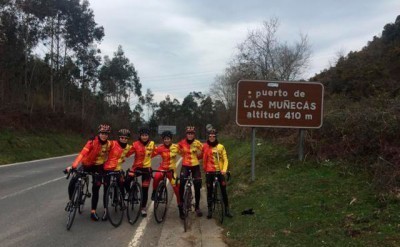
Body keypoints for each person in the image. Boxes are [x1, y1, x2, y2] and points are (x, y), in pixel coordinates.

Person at [66, 124, 111, 221]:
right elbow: (82, 154)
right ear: (99, 133)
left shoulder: (109, 144)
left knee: (96, 188)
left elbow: (119, 149)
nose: (104, 135)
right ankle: (71, 201)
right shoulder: (91, 142)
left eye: (106, 134)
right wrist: (73, 166)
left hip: (99, 168)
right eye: (102, 133)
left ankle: (93, 212)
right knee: (73, 181)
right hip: (87, 165)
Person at [102, 129, 133, 221]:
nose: (123, 139)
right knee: (106, 190)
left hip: (118, 169)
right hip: (107, 169)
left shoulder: (128, 147)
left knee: (121, 184)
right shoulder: (112, 143)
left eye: (126, 138)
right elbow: (103, 144)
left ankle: (122, 202)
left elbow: (139, 150)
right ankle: (105, 211)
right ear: (119, 137)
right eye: (122, 137)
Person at [124, 127, 155, 217]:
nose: (144, 137)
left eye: (146, 135)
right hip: (136, 168)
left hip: (146, 169)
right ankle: (131, 193)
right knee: (127, 180)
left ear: (148, 136)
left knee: (145, 189)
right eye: (143, 135)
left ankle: (143, 208)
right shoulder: (135, 144)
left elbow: (156, 152)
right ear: (140, 136)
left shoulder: (152, 144)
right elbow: (127, 154)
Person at [202, 128, 232, 218]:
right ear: (208, 136)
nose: (211, 137)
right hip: (209, 172)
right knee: (209, 191)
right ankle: (210, 210)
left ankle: (227, 210)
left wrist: (224, 170)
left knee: (223, 191)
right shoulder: (205, 146)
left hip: (220, 171)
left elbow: (225, 159)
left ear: (216, 137)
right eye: (210, 136)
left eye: (213, 136)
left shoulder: (221, 147)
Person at [151, 130, 183, 218]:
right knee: (156, 177)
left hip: (171, 171)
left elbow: (184, 154)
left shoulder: (176, 147)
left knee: (177, 189)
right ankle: (154, 192)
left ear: (171, 139)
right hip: (162, 168)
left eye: (168, 139)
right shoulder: (160, 148)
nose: (166, 140)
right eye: (165, 139)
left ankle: (180, 208)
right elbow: (150, 155)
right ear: (163, 140)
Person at [178, 126, 204, 217]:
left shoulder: (198, 143)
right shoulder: (181, 143)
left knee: (197, 186)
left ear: (194, 134)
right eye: (188, 133)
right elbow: (178, 151)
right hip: (185, 165)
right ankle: (181, 206)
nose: (190, 135)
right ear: (186, 134)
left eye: (191, 133)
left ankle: (197, 207)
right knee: (181, 184)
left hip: (195, 166)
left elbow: (204, 151)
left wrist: (198, 157)